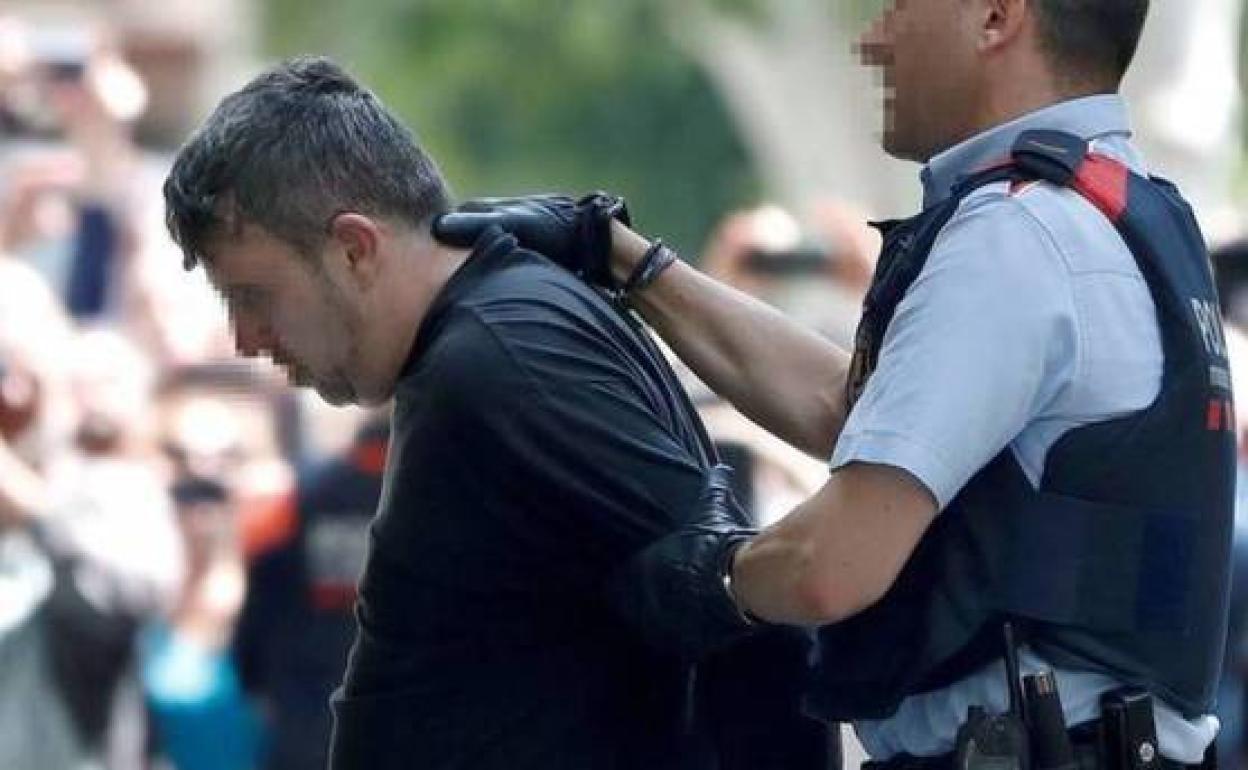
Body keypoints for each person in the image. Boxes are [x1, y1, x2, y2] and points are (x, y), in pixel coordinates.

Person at [435, 0, 1236, 767]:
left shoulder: (1016, 236)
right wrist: (622, 258)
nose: (874, 41)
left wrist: (703, 577)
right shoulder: (1124, 215)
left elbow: (831, 564)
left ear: (997, 14)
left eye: (901, 5)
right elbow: (851, 413)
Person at [162, 57, 832, 770]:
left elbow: (750, 622)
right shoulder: (482, 346)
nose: (246, 338)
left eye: (253, 296)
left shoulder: (501, 362)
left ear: (354, 248)